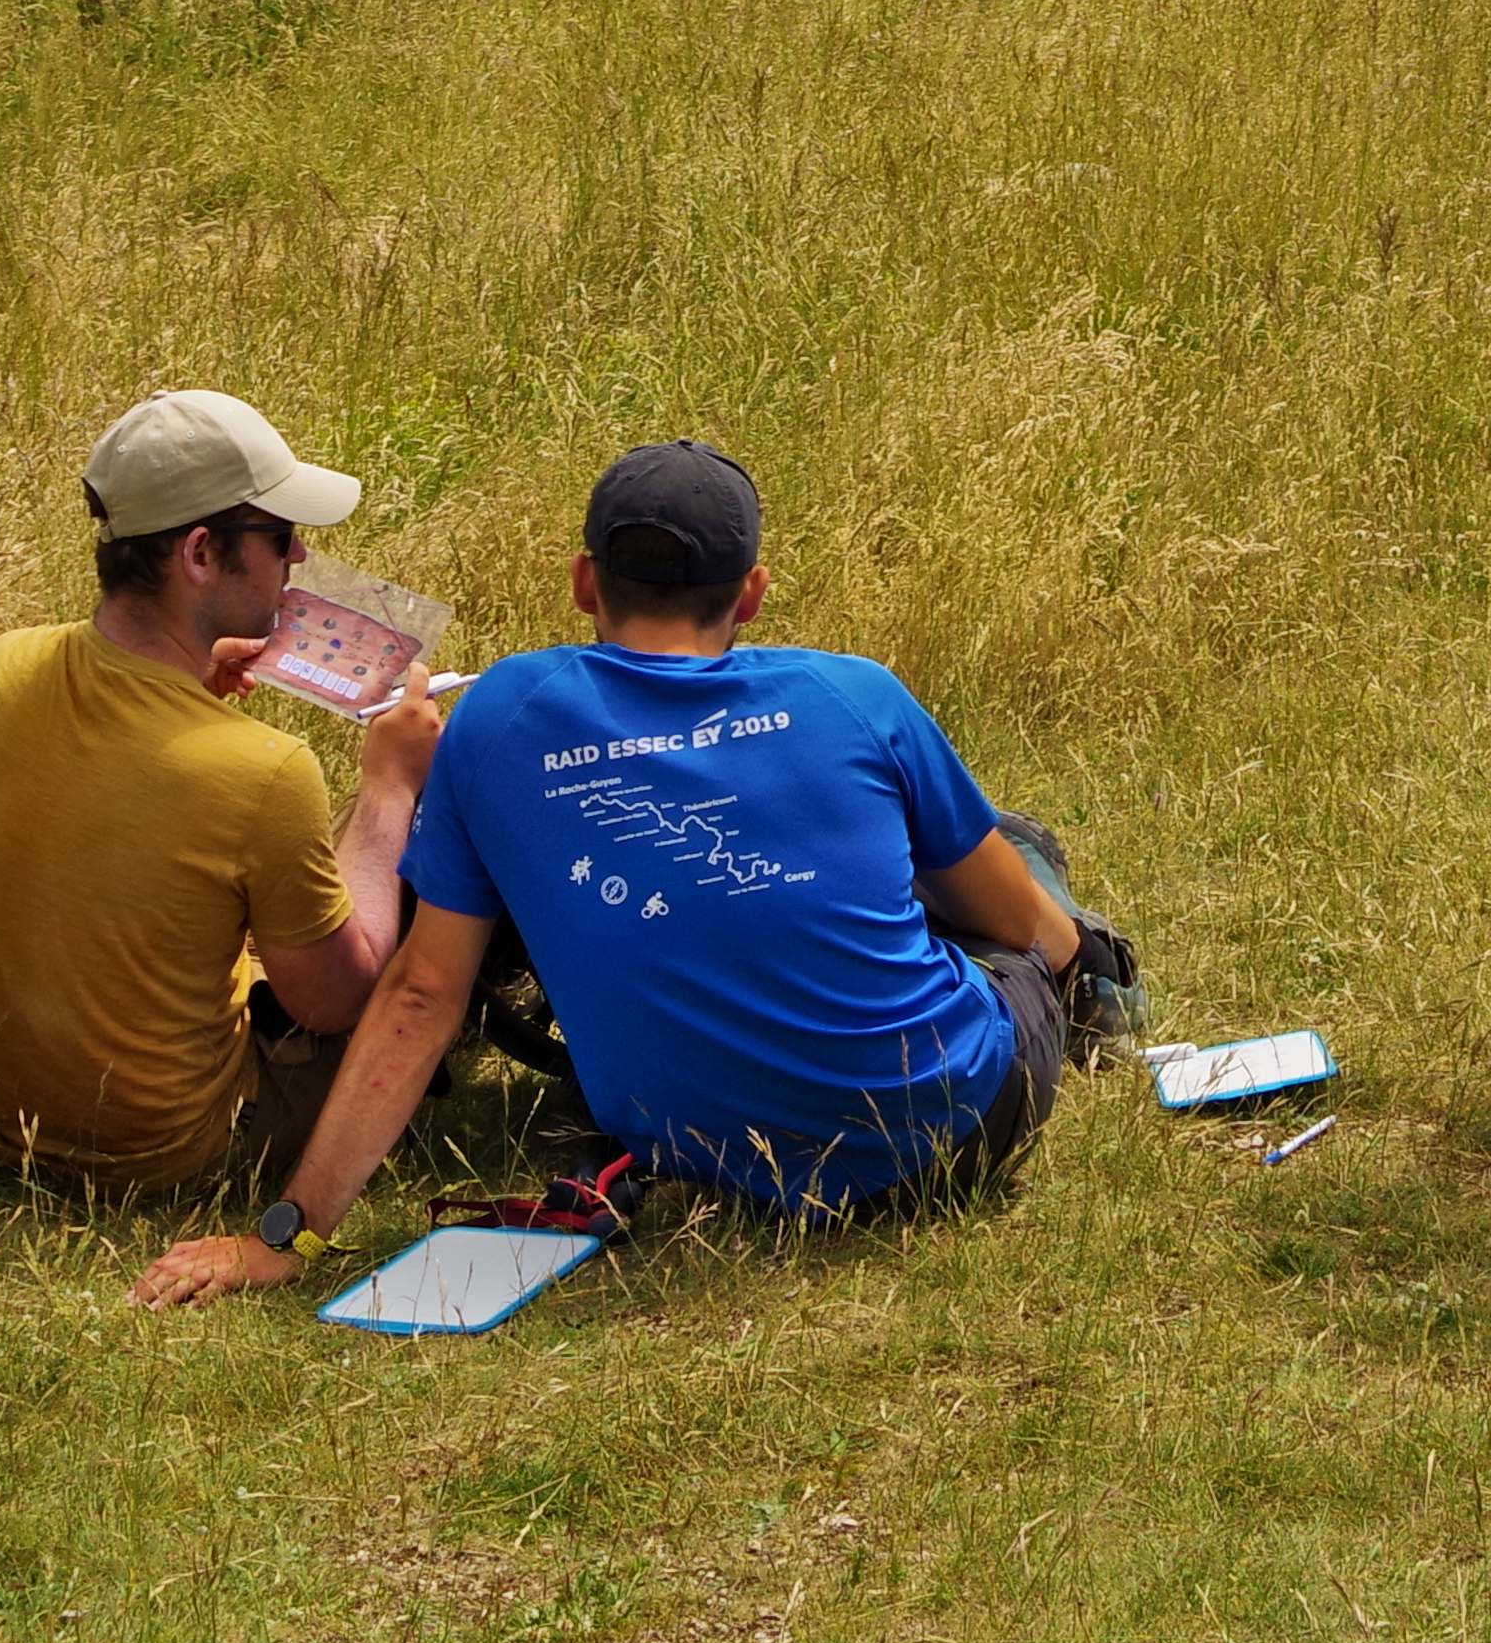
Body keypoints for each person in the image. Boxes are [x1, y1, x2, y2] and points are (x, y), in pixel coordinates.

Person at [149, 441, 1103, 1295]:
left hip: (695, 1151)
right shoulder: (852, 692)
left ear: (582, 582)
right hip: (951, 1133)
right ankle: (1110, 989)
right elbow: (1024, 931)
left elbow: (417, 999)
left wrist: (289, 1237)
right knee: (1016, 854)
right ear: (755, 592)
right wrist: (1064, 958)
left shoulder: (503, 711)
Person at [0, 388, 455, 1236]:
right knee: (434, 893)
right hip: (169, 1151)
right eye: (280, 538)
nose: (299, 558)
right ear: (202, 553)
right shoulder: (262, 771)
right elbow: (339, 999)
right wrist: (391, 786)